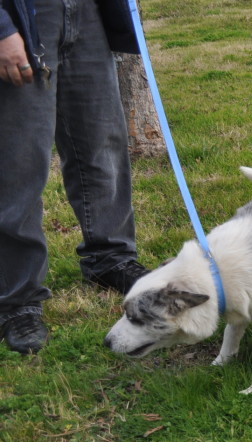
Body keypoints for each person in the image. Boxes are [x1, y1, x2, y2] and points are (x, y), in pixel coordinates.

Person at [0, 0, 149, 354]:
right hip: (23, 15)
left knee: (101, 144)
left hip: (87, 13)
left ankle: (109, 257)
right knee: (20, 159)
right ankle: (16, 299)